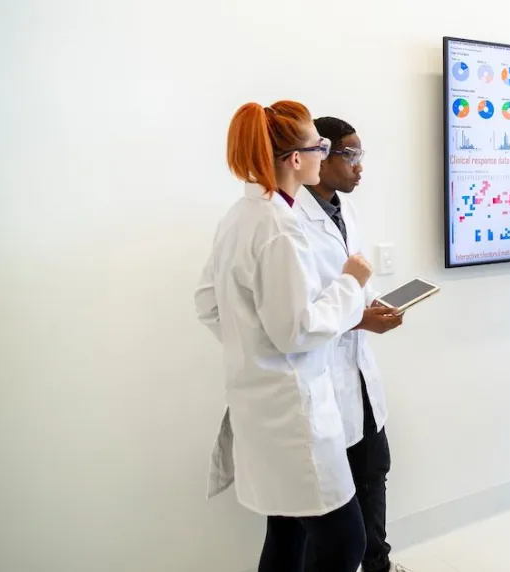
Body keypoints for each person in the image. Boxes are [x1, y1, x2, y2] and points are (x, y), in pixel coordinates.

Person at [194, 101, 373, 572]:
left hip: (260, 406)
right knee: (345, 544)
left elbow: (208, 302)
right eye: (320, 147)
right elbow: (298, 330)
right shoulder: (280, 228)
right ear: (297, 159)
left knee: (287, 534)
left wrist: (252, 347)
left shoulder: (242, 215)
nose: (324, 155)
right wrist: (351, 282)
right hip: (295, 413)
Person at [295, 117, 410, 572]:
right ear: (320, 155)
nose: (359, 167)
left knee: (373, 471)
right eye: (350, 155)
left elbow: (353, 282)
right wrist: (360, 317)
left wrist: (371, 306)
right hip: (319, 376)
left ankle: (378, 565)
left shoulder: (345, 209)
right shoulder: (290, 220)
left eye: (361, 156)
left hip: (356, 369)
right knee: (322, 509)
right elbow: (299, 314)